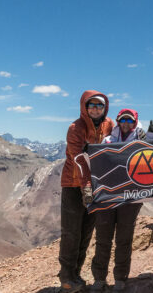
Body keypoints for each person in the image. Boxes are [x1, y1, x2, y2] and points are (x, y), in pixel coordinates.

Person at [59, 90, 114, 293]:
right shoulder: (76, 128)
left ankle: (76, 274)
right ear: (84, 107)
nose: (96, 109)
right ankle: (66, 277)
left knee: (86, 232)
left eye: (99, 105)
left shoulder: (109, 125)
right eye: (91, 105)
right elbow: (78, 160)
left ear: (105, 107)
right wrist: (86, 188)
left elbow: (116, 148)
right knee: (71, 232)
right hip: (74, 185)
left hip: (96, 186)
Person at [90, 109, 146, 293]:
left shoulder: (143, 140)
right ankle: (99, 278)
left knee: (124, 238)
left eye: (130, 120)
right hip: (108, 196)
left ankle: (120, 278)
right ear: (118, 121)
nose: (126, 123)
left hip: (130, 197)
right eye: (123, 119)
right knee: (103, 238)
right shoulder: (107, 141)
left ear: (135, 122)